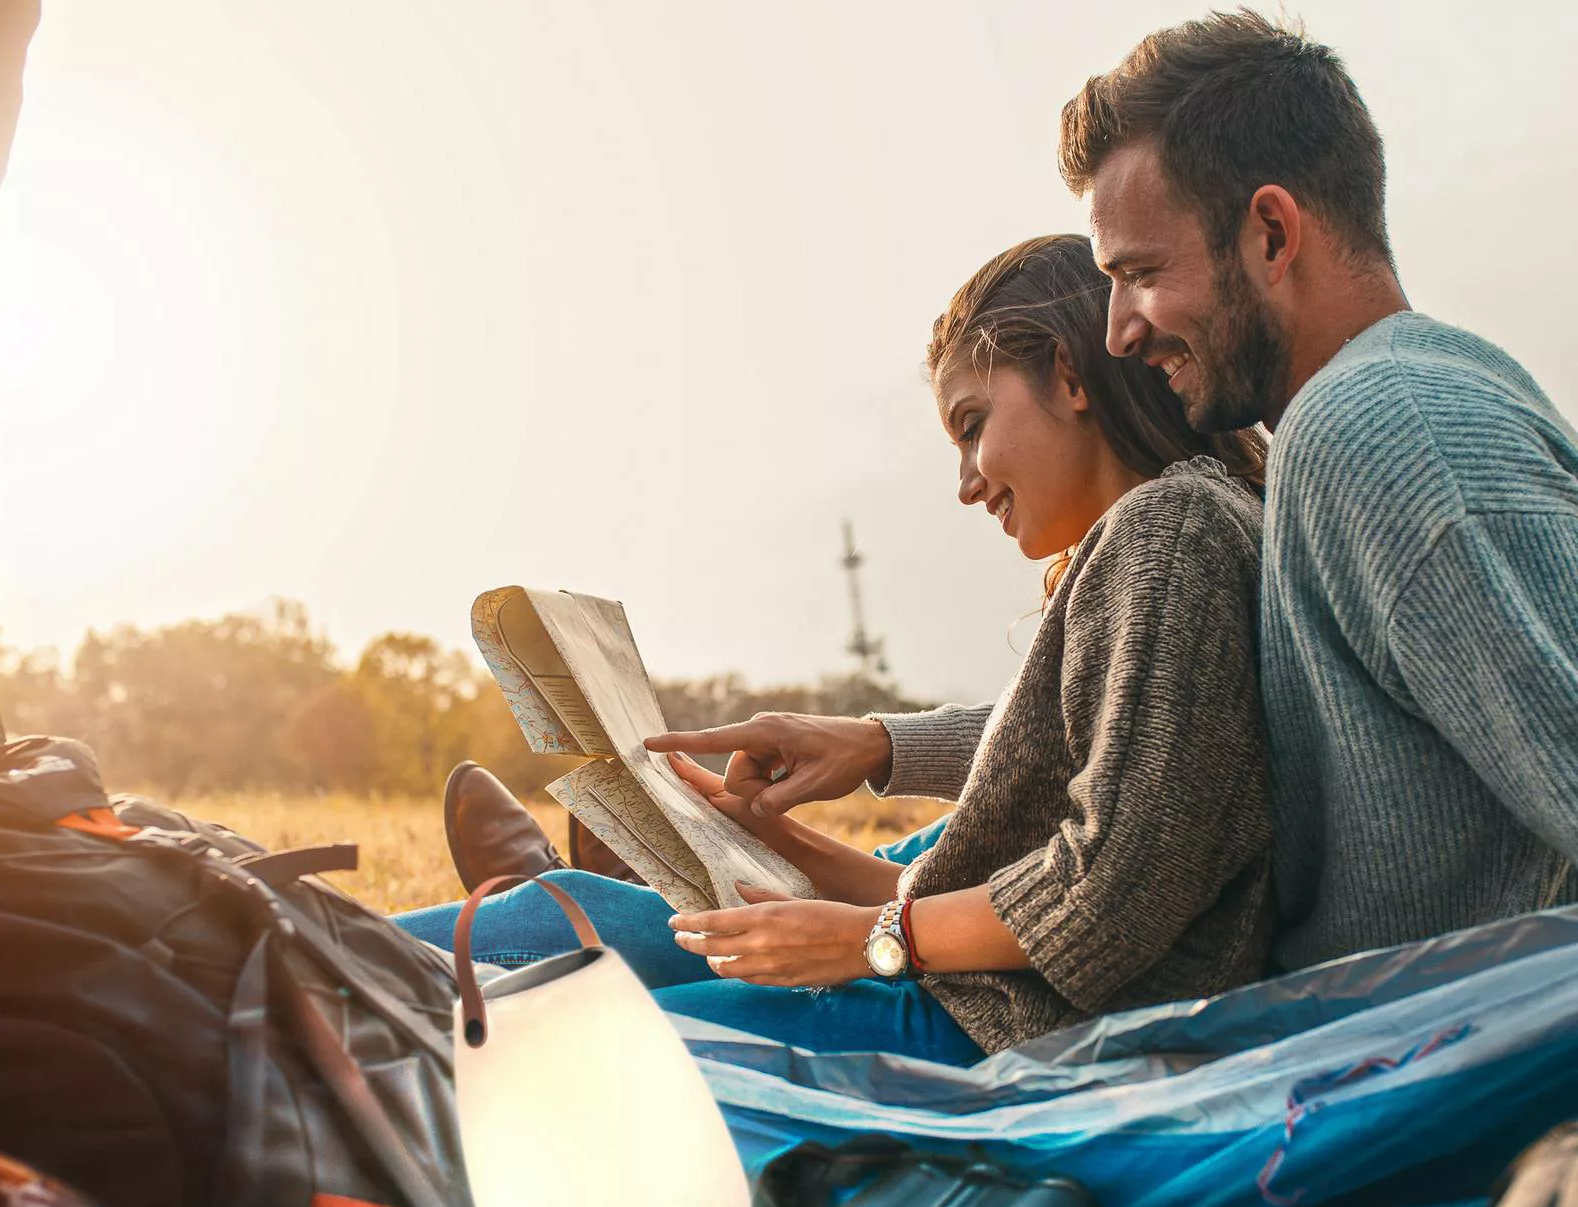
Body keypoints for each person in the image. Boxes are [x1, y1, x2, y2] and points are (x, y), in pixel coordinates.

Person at [400, 233, 1273, 1064]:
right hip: (974, 1005)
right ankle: (282, 937)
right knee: (576, 937)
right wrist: (762, 834)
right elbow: (1032, 858)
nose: (968, 483)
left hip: (992, 1033)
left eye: (974, 423)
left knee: (540, 1040)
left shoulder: (1174, 535)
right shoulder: (1153, 542)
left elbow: (1111, 899)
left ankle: (283, 946)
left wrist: (869, 940)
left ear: (1067, 372)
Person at [1049, 9, 1578, 973]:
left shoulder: (1383, 433)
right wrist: (883, 749)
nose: (1120, 331)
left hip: (1403, 1083)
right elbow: (1185, 719)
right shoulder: (1360, 427)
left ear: (1271, 234)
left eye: (1141, 274)